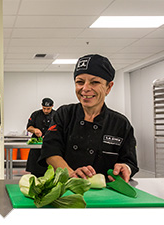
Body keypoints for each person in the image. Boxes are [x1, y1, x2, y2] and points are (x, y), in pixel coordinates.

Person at [38, 54, 139, 182]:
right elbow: (50, 151)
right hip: (66, 190)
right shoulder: (64, 114)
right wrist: (71, 174)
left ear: (109, 87)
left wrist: (125, 168)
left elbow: (130, 162)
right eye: (80, 82)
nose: (85, 88)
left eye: (95, 82)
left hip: (107, 195)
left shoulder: (120, 123)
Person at [26, 98, 56, 177]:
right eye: (44, 108)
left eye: (48, 109)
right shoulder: (36, 114)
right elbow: (29, 127)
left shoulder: (56, 115)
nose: (46, 111)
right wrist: (35, 130)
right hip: (36, 150)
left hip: (50, 148)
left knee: (50, 174)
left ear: (52, 106)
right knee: (35, 175)